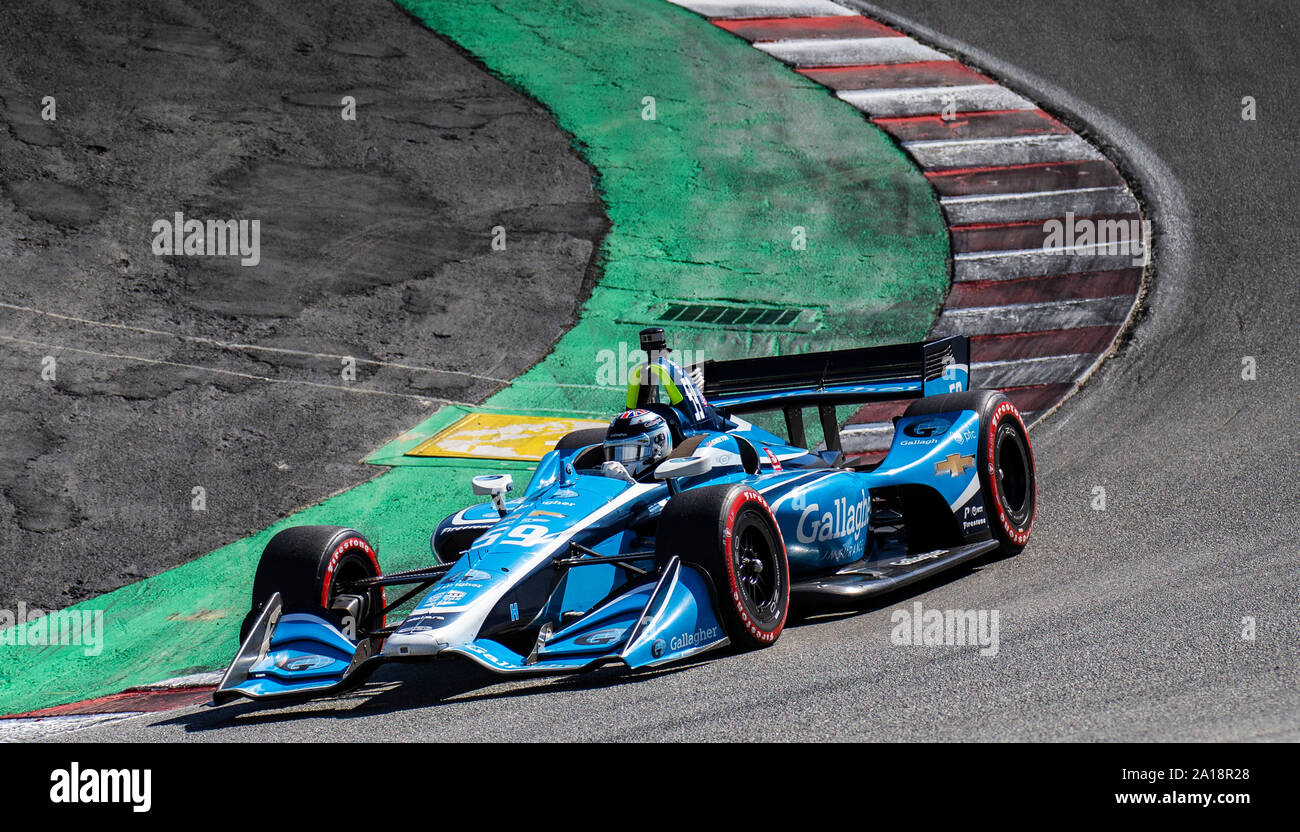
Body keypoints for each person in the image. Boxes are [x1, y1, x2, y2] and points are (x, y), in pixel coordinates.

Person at [601, 409, 672, 480]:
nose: (617, 465)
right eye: (613, 453)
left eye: (629, 452)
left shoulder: (670, 482)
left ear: (659, 446)